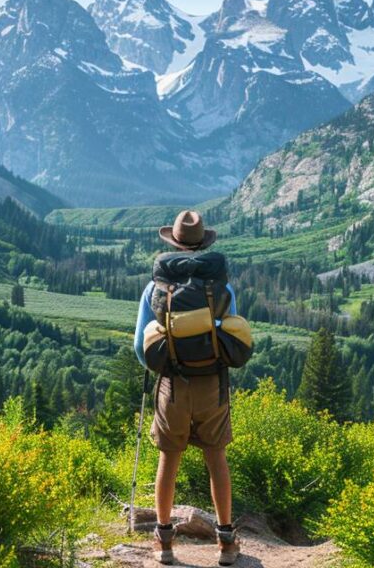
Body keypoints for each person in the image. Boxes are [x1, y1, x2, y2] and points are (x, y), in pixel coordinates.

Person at [134, 210, 241, 566]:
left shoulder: (157, 286)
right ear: (203, 242)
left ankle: (164, 543)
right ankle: (226, 544)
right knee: (217, 458)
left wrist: (163, 365)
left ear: (174, 242)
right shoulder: (222, 286)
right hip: (212, 383)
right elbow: (231, 334)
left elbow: (140, 345)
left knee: (169, 457)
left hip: (173, 384)